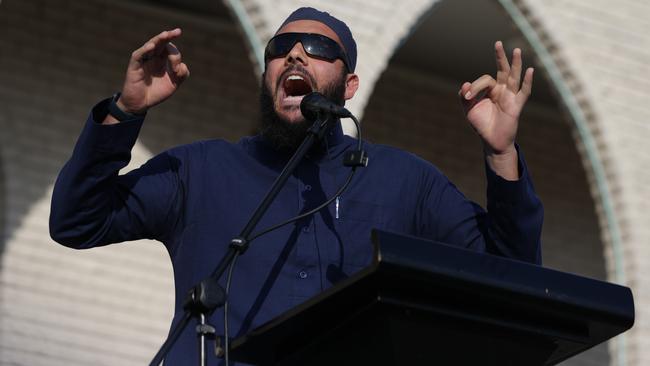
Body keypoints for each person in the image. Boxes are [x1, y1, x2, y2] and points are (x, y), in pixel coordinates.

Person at [49, 7, 542, 365]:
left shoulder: (405, 181)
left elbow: (513, 276)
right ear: (267, 75)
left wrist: (501, 152)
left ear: (349, 85)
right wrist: (126, 110)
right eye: (279, 49)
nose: (296, 55)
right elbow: (77, 220)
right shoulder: (202, 170)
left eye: (320, 49)